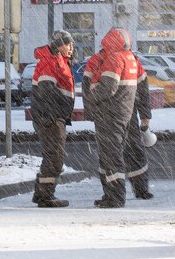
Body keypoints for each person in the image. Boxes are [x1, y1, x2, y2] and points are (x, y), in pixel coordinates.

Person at [83, 27, 139, 208]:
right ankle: (110, 194)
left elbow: (108, 88)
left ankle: (114, 197)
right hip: (123, 113)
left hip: (110, 114)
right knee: (111, 155)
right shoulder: (130, 58)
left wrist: (91, 98)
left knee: (110, 157)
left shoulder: (115, 58)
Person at [31, 30, 76, 208]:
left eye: (72, 44)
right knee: (54, 157)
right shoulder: (51, 62)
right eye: (68, 44)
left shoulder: (59, 61)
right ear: (59, 45)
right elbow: (45, 91)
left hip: (54, 117)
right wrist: (51, 116)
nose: (71, 47)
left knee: (53, 156)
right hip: (50, 117)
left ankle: (42, 193)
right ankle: (44, 196)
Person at [124, 51, 154, 200]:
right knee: (133, 151)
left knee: (133, 151)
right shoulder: (132, 61)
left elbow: (142, 90)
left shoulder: (133, 61)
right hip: (123, 114)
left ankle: (138, 190)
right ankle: (139, 190)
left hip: (124, 114)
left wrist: (145, 115)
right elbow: (143, 91)